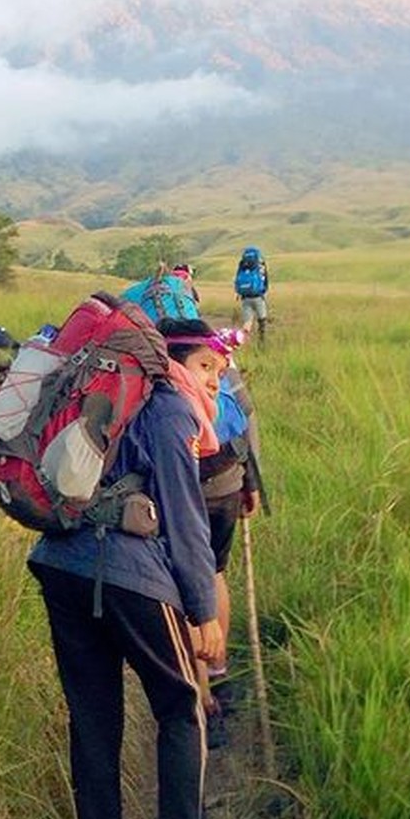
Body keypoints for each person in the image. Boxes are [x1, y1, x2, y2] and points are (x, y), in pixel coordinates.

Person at [27, 317, 233, 819]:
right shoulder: (168, 408)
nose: (215, 382)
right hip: (130, 574)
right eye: (209, 368)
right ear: (169, 362)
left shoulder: (89, 391)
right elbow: (185, 517)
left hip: (59, 564)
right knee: (182, 706)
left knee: (93, 728)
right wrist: (203, 610)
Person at [161, 321, 261, 751]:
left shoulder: (161, 367)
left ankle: (201, 693)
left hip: (193, 486)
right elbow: (246, 423)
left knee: (188, 582)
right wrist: (251, 482)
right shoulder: (212, 343)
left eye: (215, 370)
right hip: (227, 479)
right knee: (213, 571)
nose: (213, 378)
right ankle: (215, 674)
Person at [232, 247, 269, 342]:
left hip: (245, 297)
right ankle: (261, 343)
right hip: (258, 297)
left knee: (247, 322)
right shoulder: (260, 264)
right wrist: (264, 291)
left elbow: (237, 279)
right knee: (262, 320)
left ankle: (240, 341)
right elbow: (265, 279)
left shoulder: (242, 264)